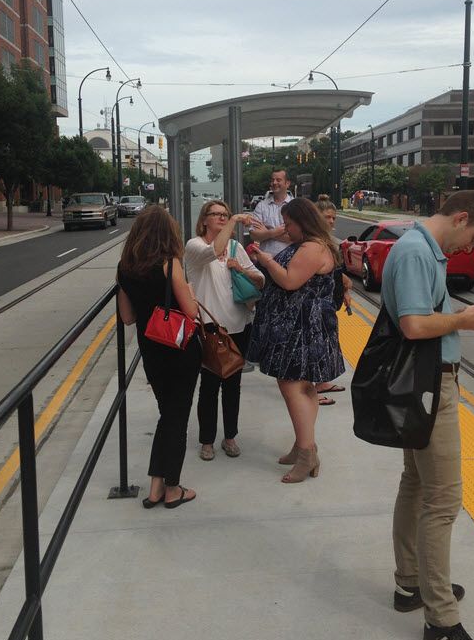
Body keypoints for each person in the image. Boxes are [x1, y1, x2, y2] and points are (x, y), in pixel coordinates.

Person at [380, 189, 474, 640]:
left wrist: (459, 318)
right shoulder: (416, 252)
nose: (468, 248)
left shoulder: (419, 248)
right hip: (431, 387)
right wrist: (462, 320)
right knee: (444, 501)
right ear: (462, 217)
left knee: (416, 483)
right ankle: (441, 621)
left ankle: (411, 582)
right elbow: (413, 325)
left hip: (426, 382)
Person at [246, 198, 344, 483]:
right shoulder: (313, 244)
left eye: (289, 224)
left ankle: (306, 452)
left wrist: (266, 260)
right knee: (303, 386)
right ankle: (304, 444)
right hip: (302, 325)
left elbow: (290, 281)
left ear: (303, 222)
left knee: (292, 386)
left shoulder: (312, 247)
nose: (285, 229)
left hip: (301, 327)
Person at [116, 205, 201, 510]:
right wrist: (190, 292)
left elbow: (127, 317)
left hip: (151, 350)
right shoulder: (170, 263)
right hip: (179, 349)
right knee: (177, 418)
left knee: (168, 414)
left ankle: (155, 487)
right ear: (169, 234)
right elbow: (191, 311)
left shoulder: (124, 268)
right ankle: (173, 489)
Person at [185, 200, 264, 461]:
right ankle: (207, 440)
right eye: (216, 214)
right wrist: (234, 220)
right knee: (209, 387)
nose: (222, 218)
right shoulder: (195, 246)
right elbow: (213, 250)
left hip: (239, 326)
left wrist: (240, 269)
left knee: (233, 386)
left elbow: (260, 279)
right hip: (209, 329)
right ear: (204, 219)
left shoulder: (235, 247)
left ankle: (230, 436)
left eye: (225, 215)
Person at [314, 195, 352, 406]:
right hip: (316, 303)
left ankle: (321, 382)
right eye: (326, 217)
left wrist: (345, 288)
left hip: (329, 301)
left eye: (333, 217)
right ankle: (311, 390)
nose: (330, 221)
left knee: (327, 342)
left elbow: (335, 272)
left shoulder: (329, 241)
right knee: (315, 344)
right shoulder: (313, 242)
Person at [249, 170, 293, 257]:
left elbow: (296, 237)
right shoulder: (261, 206)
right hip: (264, 260)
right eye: (272, 180)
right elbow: (253, 235)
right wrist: (273, 232)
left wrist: (267, 232)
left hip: (290, 259)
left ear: (287, 183)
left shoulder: (295, 205)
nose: (274, 183)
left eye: (278, 180)